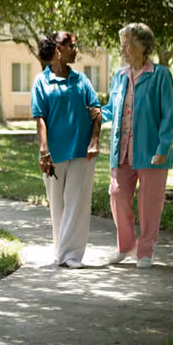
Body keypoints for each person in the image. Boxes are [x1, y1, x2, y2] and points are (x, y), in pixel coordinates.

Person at [101, 22, 173, 269]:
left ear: (143, 46)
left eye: (128, 43)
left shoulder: (160, 75)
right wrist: (94, 112)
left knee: (149, 204)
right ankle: (125, 246)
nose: (124, 49)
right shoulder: (120, 76)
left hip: (151, 150)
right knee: (117, 196)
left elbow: (167, 115)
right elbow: (111, 109)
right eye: (122, 44)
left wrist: (163, 149)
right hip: (121, 150)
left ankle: (145, 251)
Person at [31, 31, 101, 269]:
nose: (76, 50)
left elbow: (96, 111)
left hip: (82, 152)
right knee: (58, 206)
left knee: (78, 204)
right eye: (72, 46)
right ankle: (61, 250)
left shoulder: (81, 80)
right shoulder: (42, 81)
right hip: (54, 154)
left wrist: (95, 139)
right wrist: (44, 151)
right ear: (59, 49)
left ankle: (71, 255)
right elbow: (40, 119)